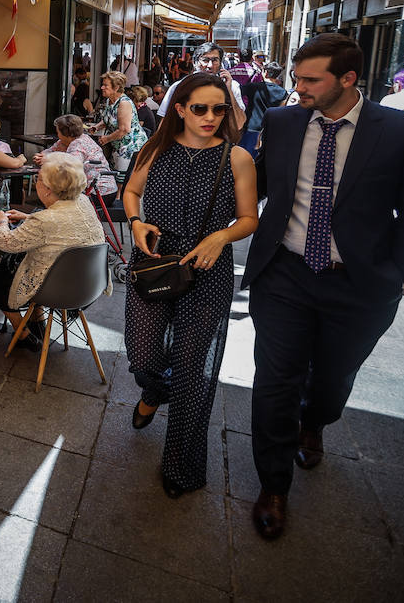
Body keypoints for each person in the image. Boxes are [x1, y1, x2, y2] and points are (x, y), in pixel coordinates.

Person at [243, 33, 404, 540]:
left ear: (347, 79)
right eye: (296, 76)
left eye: (310, 80)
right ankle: (273, 484)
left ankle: (316, 423)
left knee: (331, 379)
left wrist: (400, 277)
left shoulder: (401, 131)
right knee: (275, 380)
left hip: (359, 283)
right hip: (284, 274)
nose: (297, 87)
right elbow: (257, 187)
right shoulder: (283, 122)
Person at [123, 73, 259, 499]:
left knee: (191, 371)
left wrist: (220, 237)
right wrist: (136, 221)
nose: (211, 117)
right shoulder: (155, 148)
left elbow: (249, 218)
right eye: (200, 108)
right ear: (180, 108)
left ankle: (181, 466)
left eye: (219, 109)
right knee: (142, 352)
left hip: (208, 269)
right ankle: (153, 388)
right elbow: (131, 191)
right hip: (155, 261)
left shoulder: (236, 157)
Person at [0, 153, 105, 350]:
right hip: (89, 285)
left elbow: (5, 243)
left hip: (58, 290)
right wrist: (28, 218)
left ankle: (23, 334)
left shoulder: (45, 220)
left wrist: (1, 221)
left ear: (48, 190)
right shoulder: (83, 201)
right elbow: (60, 226)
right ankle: (38, 322)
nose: (35, 181)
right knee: (34, 260)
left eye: (38, 179)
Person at [34, 114, 117, 201]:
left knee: (56, 194)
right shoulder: (65, 141)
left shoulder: (79, 143)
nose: (57, 135)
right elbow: (50, 151)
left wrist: (48, 158)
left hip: (100, 192)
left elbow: (72, 165)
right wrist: (41, 156)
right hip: (98, 190)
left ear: (66, 134)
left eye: (58, 132)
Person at [156, 44, 246, 122]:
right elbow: (165, 121)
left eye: (215, 60)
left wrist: (228, 91)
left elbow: (239, 123)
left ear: (220, 63)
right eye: (205, 60)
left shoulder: (232, 86)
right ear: (195, 63)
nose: (210, 65)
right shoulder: (179, 87)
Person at [92, 71, 148, 176]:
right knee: (115, 177)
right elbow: (108, 119)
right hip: (117, 146)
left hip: (129, 147)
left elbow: (124, 130)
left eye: (105, 85)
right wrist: (96, 127)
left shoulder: (124, 103)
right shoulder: (110, 100)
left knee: (121, 181)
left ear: (116, 88)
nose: (102, 87)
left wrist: (106, 139)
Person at [238, 62, 289, 159]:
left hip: (252, 128)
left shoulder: (253, 87)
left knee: (245, 158)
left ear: (265, 72)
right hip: (270, 130)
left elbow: (238, 92)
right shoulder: (283, 92)